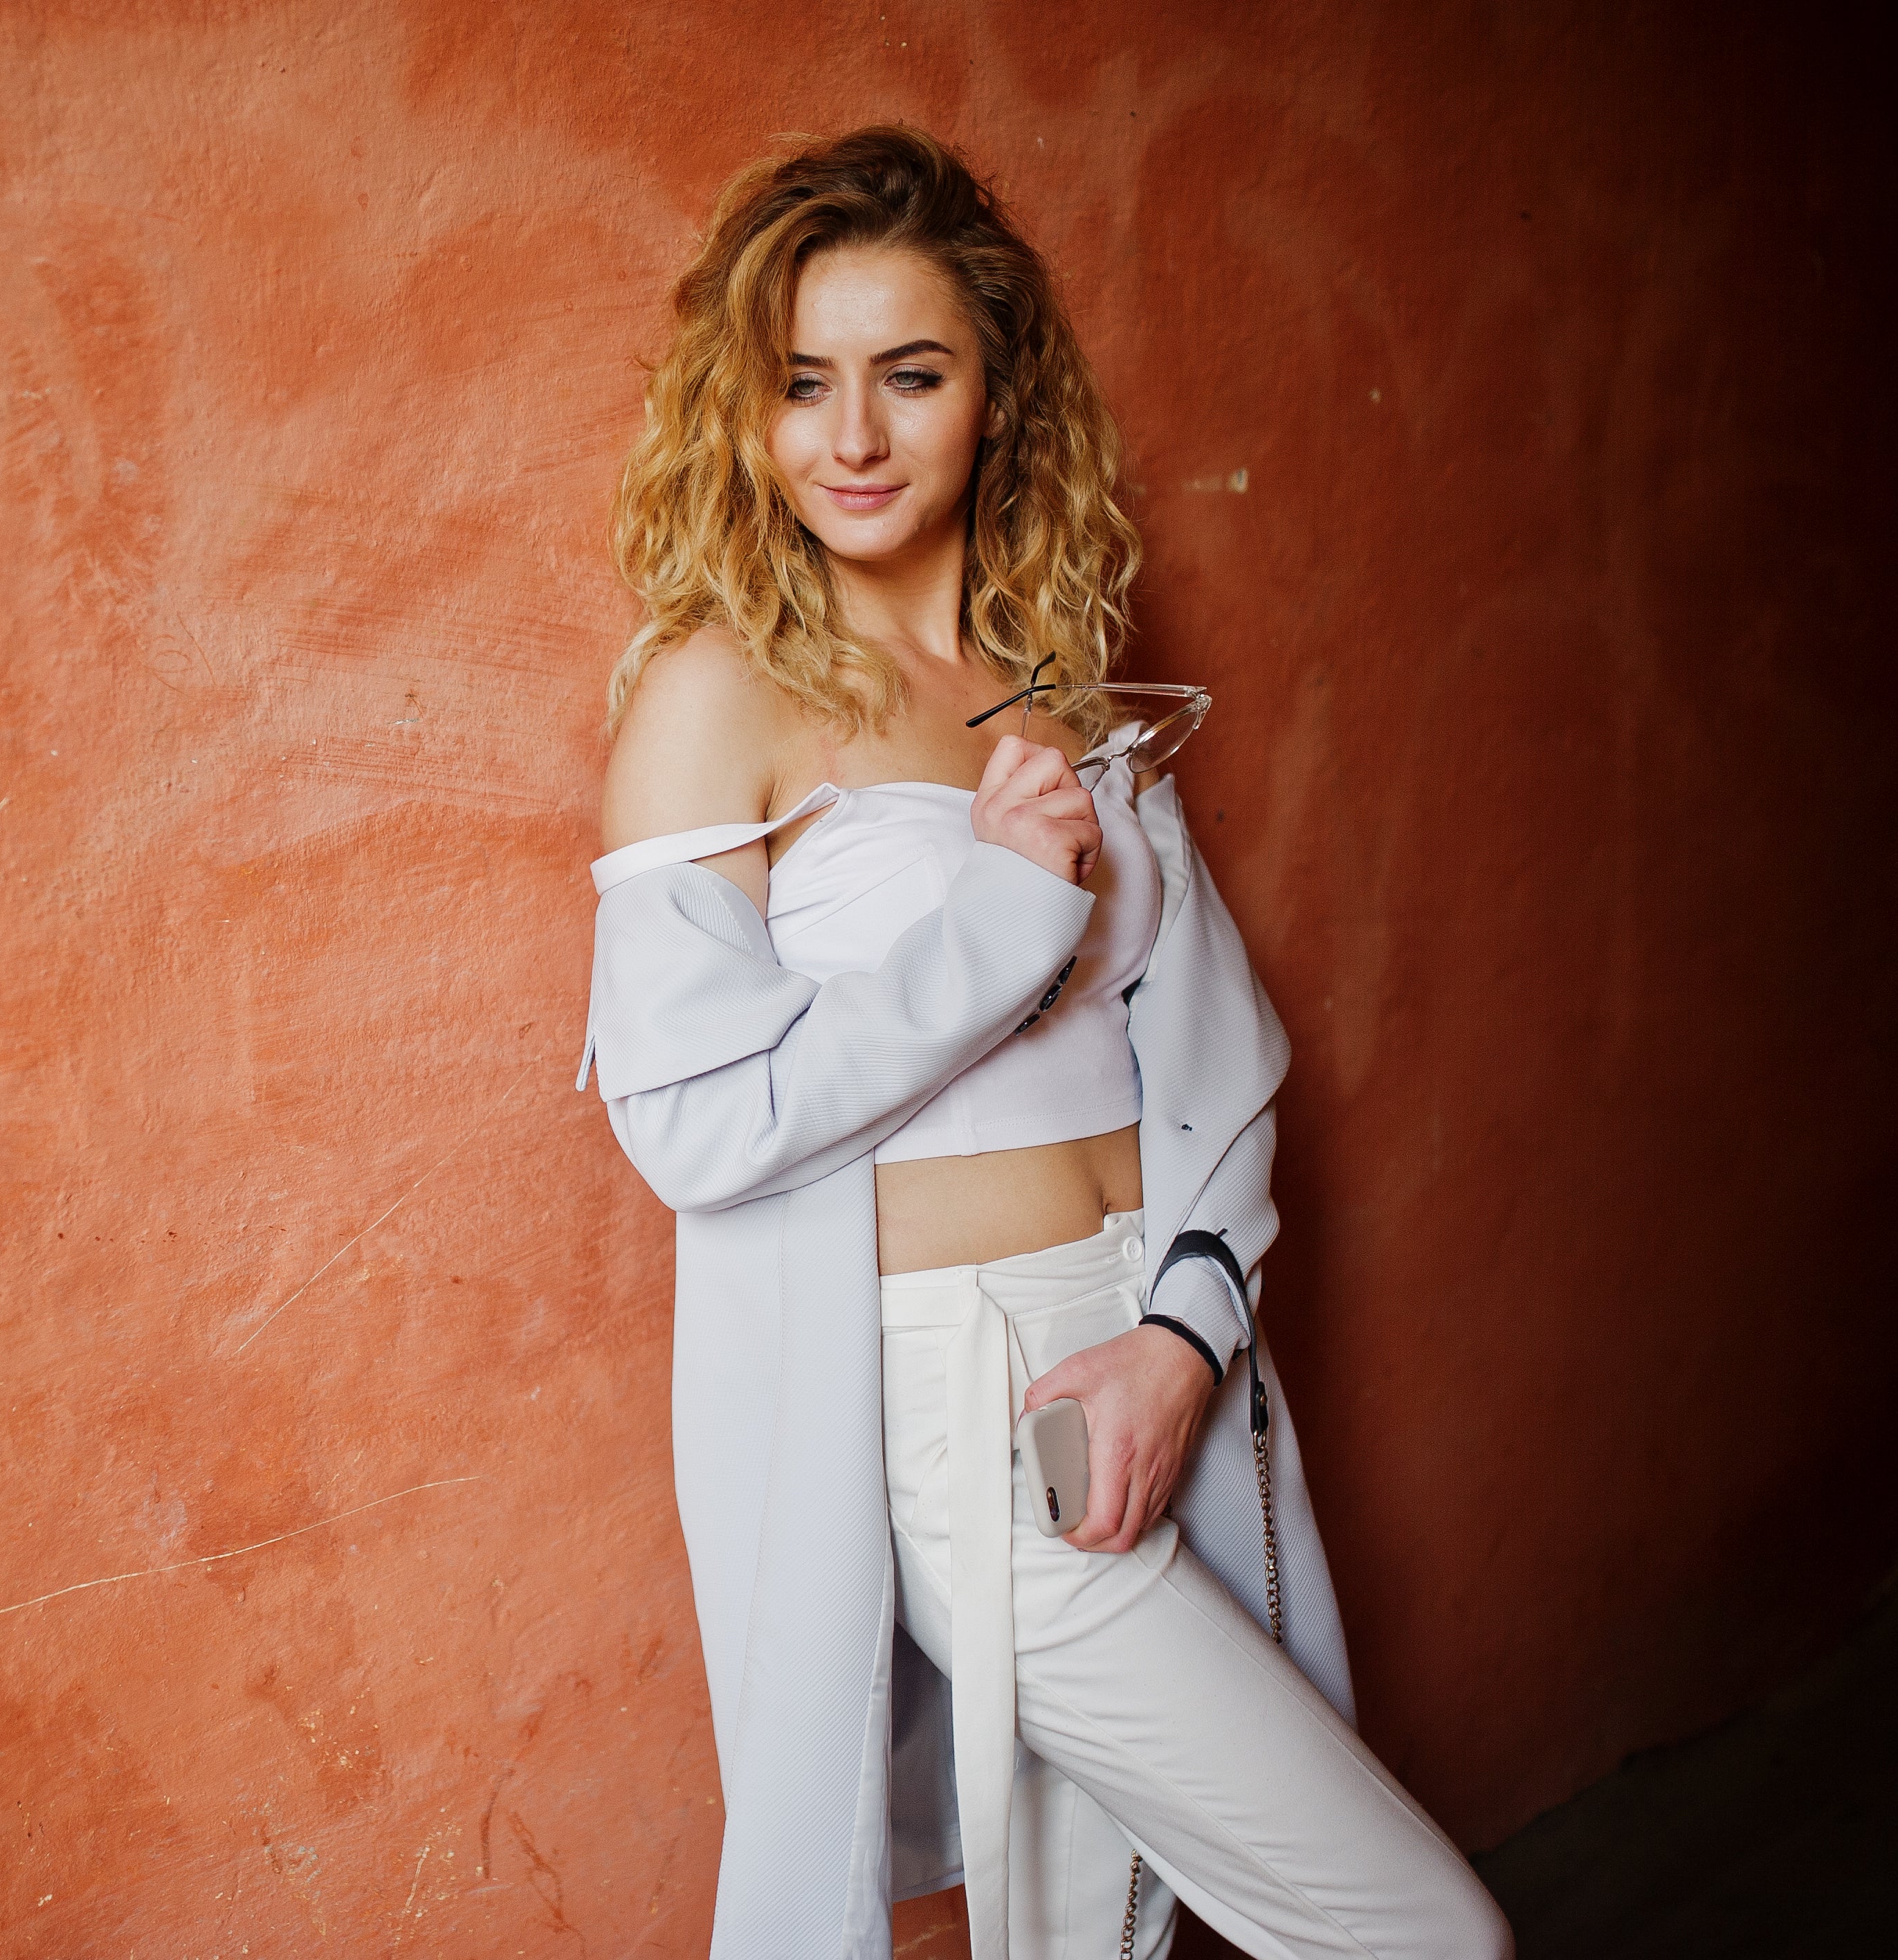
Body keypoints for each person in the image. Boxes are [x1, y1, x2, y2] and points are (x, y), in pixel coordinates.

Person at [578, 125, 1513, 1960]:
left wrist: (1183, 1330)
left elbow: (1221, 1065)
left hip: (1155, 1340)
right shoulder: (719, 692)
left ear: (997, 394)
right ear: (743, 416)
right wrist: (1000, 926)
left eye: (910, 376)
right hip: (965, 1383)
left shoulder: (1053, 684)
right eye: (802, 385)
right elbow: (695, 1127)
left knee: (1096, 1937)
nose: (854, 437)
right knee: (1423, 1934)